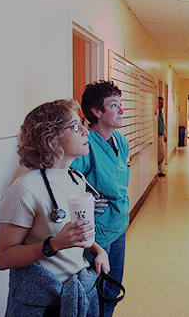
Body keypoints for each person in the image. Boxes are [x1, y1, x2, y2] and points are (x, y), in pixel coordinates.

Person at [0, 99, 110, 316]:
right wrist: (53, 245)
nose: (86, 132)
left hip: (78, 292)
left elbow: (75, 234)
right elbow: (1, 258)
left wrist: (98, 250)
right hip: (42, 303)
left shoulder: (76, 178)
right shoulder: (25, 188)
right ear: (51, 138)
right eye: (75, 127)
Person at [71, 81, 130, 317]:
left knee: (113, 288)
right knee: (97, 293)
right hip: (99, 232)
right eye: (114, 105)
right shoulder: (86, 146)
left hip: (119, 224)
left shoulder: (121, 142)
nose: (121, 110)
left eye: (120, 104)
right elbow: (69, 182)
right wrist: (86, 200)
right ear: (96, 112)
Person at [157, 96, 167, 177]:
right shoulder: (156, 114)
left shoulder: (160, 113)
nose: (161, 105)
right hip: (156, 136)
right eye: (160, 103)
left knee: (162, 154)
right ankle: (159, 170)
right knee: (161, 154)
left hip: (161, 135)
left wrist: (164, 134)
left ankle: (160, 169)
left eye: (162, 103)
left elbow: (162, 125)